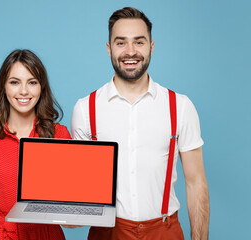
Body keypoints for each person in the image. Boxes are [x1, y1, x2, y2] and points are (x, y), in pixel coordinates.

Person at [71, 7, 209, 240]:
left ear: (151, 47)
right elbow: (81, 190)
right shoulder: (85, 109)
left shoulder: (181, 106)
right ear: (109, 49)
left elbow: (196, 183)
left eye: (139, 42)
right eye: (121, 43)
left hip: (165, 232)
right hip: (107, 232)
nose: (131, 51)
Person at [0, 49, 71, 240]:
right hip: (4, 235)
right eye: (14, 82)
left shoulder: (60, 135)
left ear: (42, 88)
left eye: (32, 82)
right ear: (3, 87)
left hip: (48, 234)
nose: (23, 91)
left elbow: (70, 202)